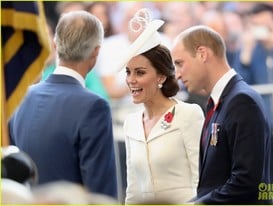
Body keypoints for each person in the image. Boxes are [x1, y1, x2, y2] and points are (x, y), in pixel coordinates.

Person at [8, 11, 117, 198]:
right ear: (96, 51)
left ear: (56, 45)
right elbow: (101, 191)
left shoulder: (22, 96)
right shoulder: (94, 106)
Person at [171, 25, 271, 204]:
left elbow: (246, 183)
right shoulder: (220, 101)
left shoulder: (242, 101)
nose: (177, 75)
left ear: (202, 54)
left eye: (179, 63)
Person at [120, 9, 204, 204]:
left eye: (140, 73)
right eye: (128, 72)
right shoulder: (131, 122)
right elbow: (132, 190)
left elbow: (201, 180)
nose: (131, 80)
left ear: (161, 77)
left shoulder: (188, 114)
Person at [233, 3, 273, 204]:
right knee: (266, 173)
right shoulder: (250, 52)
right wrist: (246, 52)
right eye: (256, 25)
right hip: (261, 124)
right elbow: (238, 83)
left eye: (266, 25)